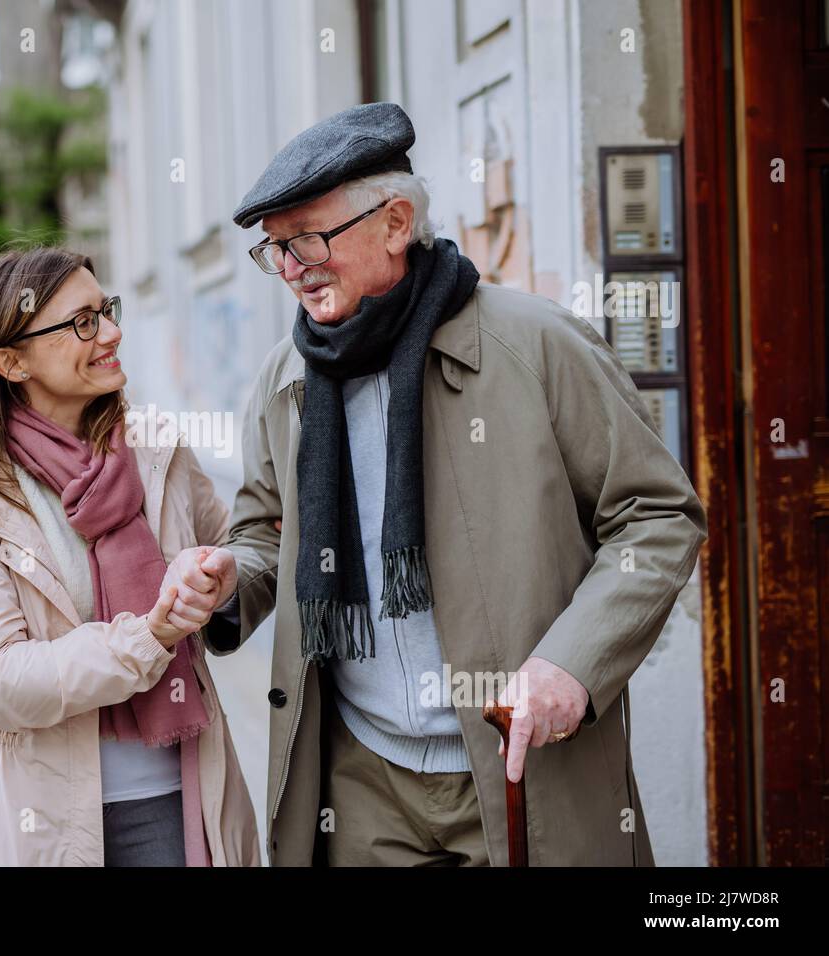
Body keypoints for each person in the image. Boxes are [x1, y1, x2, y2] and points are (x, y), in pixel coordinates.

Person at [163, 102, 707, 866]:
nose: (291, 267)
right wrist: (225, 581)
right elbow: (262, 533)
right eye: (276, 249)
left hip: (518, 768)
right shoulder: (286, 379)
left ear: (394, 223)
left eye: (310, 239)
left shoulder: (534, 344)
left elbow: (656, 514)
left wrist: (574, 662)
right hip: (359, 781)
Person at [0, 246, 259, 866]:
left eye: (106, 311)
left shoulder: (157, 448)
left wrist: (223, 580)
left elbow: (235, 553)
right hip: (37, 821)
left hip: (179, 798)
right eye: (82, 322)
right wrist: (148, 637)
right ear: (11, 361)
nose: (112, 334)